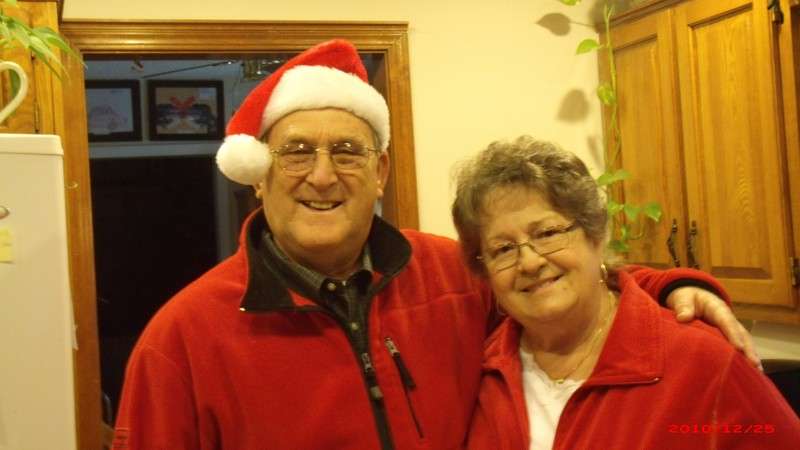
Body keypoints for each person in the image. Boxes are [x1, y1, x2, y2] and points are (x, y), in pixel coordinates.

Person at [112, 40, 758, 450]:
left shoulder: (453, 275)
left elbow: (558, 285)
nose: (323, 176)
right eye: (297, 152)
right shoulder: (182, 340)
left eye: (347, 151)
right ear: (259, 176)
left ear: (381, 172)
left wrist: (672, 286)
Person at [453, 137, 800, 450]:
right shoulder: (481, 371)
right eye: (503, 249)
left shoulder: (703, 362)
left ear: (595, 234)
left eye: (547, 233)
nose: (529, 262)